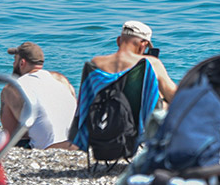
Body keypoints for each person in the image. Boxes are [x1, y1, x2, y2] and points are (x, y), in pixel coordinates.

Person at [70, 21, 178, 151]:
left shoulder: (96, 63)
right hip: (136, 130)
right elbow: (175, 96)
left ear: (118, 40)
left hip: (101, 129)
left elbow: (85, 101)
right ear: (143, 45)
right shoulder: (151, 63)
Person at [0, 42, 77, 150]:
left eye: (14, 60)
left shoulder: (11, 88)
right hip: (79, 143)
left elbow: (12, 136)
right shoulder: (61, 79)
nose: (13, 64)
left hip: (50, 148)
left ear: (22, 63)